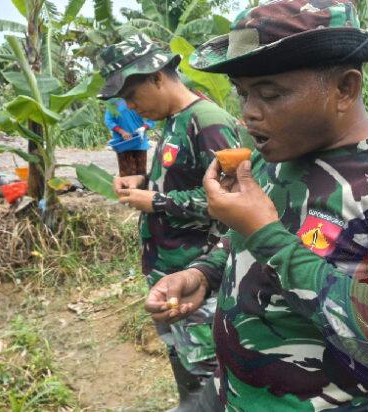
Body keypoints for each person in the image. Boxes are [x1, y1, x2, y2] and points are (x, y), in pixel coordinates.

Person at [144, 1, 368, 410]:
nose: (247, 113)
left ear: (345, 88)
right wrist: (204, 273)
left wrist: (268, 235)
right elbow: (244, 243)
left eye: (270, 93)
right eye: (243, 92)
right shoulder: (273, 160)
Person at [97, 33, 242, 411]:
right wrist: (142, 184)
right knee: (184, 364)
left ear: (158, 77)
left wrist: (156, 201)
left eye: (132, 96)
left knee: (209, 374)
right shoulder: (174, 121)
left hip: (199, 275)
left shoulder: (208, 122)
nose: (131, 106)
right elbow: (185, 181)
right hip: (168, 271)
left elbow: (233, 200)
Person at [104, 97, 156, 176]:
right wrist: (122, 131)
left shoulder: (141, 99)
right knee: (126, 175)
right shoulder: (113, 102)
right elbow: (109, 121)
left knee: (141, 174)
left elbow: (152, 118)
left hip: (140, 143)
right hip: (123, 144)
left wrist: (143, 128)